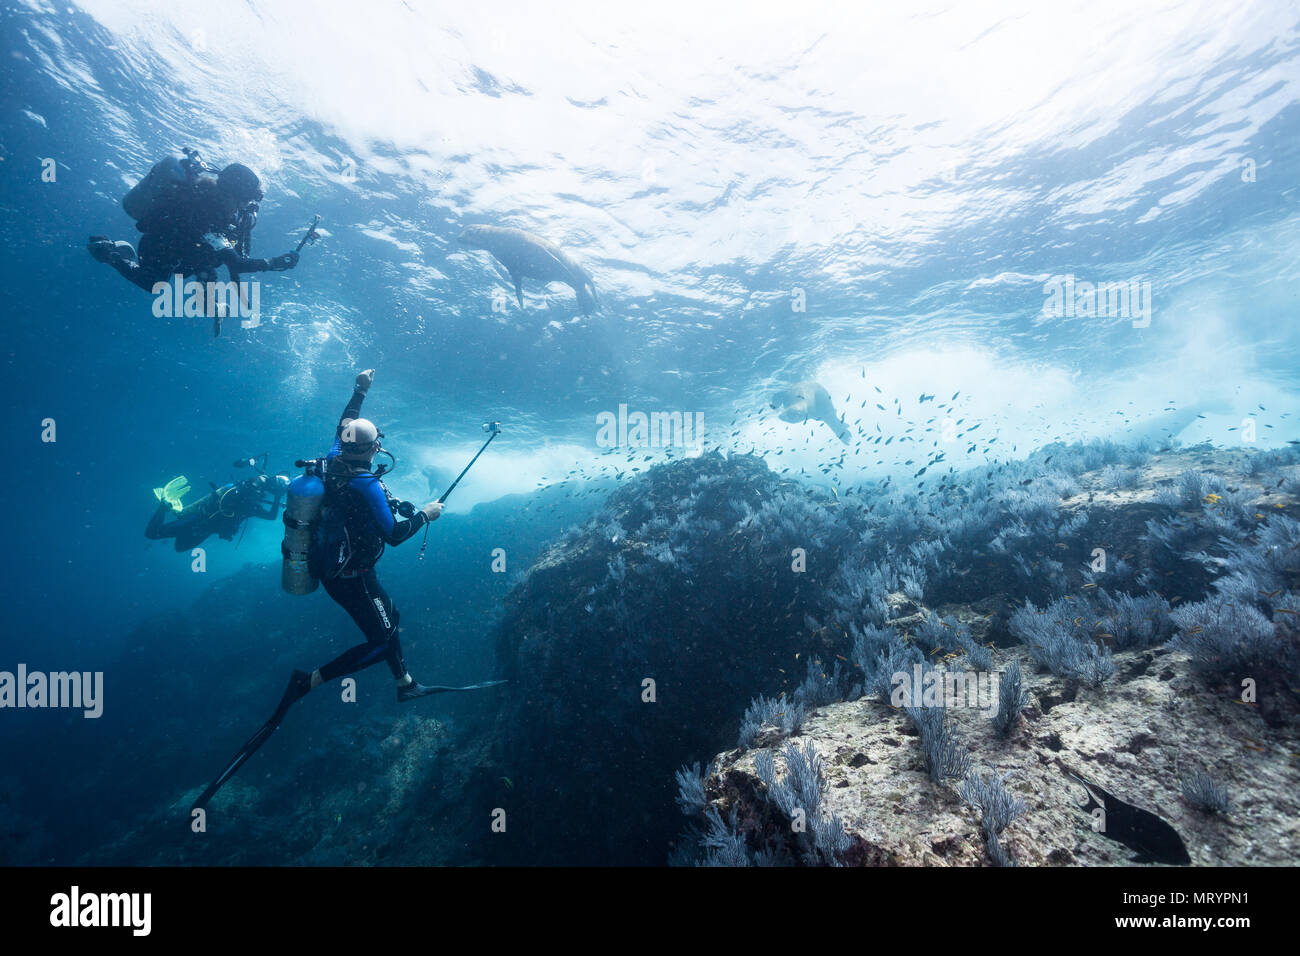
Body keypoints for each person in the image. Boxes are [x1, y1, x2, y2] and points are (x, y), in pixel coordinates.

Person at [286, 368, 447, 705]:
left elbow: (345, 423)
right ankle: (307, 682)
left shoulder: (333, 460)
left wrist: (360, 390)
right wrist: (425, 515)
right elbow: (395, 535)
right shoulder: (367, 484)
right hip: (353, 577)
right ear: (374, 448)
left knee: (390, 619)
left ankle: (405, 683)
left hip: (332, 568)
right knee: (381, 641)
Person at [87, 154, 300, 325]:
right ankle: (109, 253)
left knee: (207, 276)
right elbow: (237, 263)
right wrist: (276, 263)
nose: (242, 208)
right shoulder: (204, 213)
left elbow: (233, 262)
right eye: (242, 201)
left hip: (191, 253)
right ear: (228, 194)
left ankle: (212, 309)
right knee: (153, 283)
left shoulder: (222, 210)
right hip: (159, 249)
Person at [146, 472, 288, 552]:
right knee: (152, 534)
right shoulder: (249, 503)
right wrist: (277, 498)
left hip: (205, 528)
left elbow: (270, 516)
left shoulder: (249, 501)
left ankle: (178, 521)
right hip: (200, 521)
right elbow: (270, 516)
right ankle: (163, 507)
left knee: (180, 547)